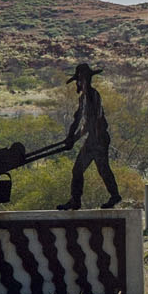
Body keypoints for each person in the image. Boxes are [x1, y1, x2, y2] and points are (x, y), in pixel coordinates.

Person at [58, 62, 122, 209]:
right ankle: (76, 200)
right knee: (79, 169)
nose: (77, 84)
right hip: (93, 139)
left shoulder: (93, 95)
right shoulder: (84, 98)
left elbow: (94, 120)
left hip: (98, 139)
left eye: (79, 81)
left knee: (102, 168)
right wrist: (72, 138)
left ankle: (114, 195)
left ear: (83, 80)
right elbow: (81, 122)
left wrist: (74, 138)